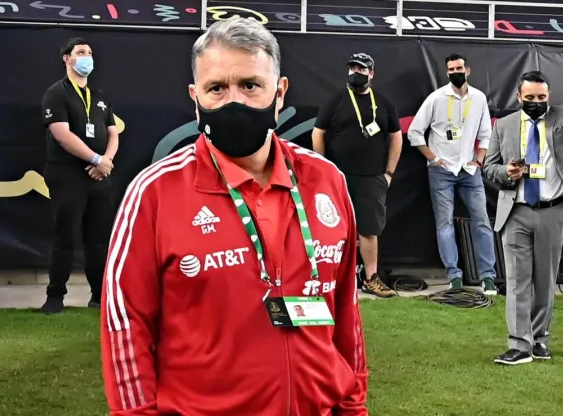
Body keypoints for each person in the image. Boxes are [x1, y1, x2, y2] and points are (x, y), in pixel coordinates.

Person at [101, 17, 368, 415]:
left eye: (249, 85)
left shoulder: (326, 180)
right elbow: (125, 324)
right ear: (195, 98)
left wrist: (353, 406)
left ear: (279, 93)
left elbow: (346, 309)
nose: (234, 102)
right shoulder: (154, 192)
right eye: (216, 88)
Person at [483, 71, 563, 365]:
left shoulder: (562, 116)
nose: (536, 103)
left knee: (545, 281)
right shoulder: (503, 126)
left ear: (549, 96)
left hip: (553, 212)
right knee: (517, 281)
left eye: (542, 97)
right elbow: (489, 167)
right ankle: (519, 345)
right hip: (515, 212)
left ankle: (539, 340)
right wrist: (508, 173)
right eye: (530, 98)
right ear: (519, 97)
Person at [311, 52, 402, 298]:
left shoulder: (383, 103)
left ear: (371, 73)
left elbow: (396, 136)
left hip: (372, 177)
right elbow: (318, 131)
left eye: (361, 70)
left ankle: (371, 278)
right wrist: (322, 166)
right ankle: (332, 278)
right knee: (333, 228)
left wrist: (389, 172)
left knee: (369, 230)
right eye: (352, 68)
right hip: (338, 177)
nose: (356, 73)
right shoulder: (337, 100)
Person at [40, 37, 119, 314]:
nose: (87, 57)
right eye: (81, 52)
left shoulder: (100, 96)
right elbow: (61, 134)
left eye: (90, 52)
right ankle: (54, 297)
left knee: (98, 238)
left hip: (99, 176)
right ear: (67, 58)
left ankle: (99, 296)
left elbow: (113, 132)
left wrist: (106, 161)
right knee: (65, 236)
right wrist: (95, 158)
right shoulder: (56, 93)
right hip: (67, 174)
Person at [407, 53, 497, 293]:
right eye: (451, 69)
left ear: (467, 70)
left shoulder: (478, 98)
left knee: (482, 222)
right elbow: (414, 132)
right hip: (442, 171)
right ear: (446, 73)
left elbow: (486, 132)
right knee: (444, 223)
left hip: (469, 169)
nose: (456, 72)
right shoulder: (436, 98)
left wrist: (480, 157)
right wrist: (434, 159)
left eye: (459, 68)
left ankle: (488, 276)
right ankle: (453, 276)